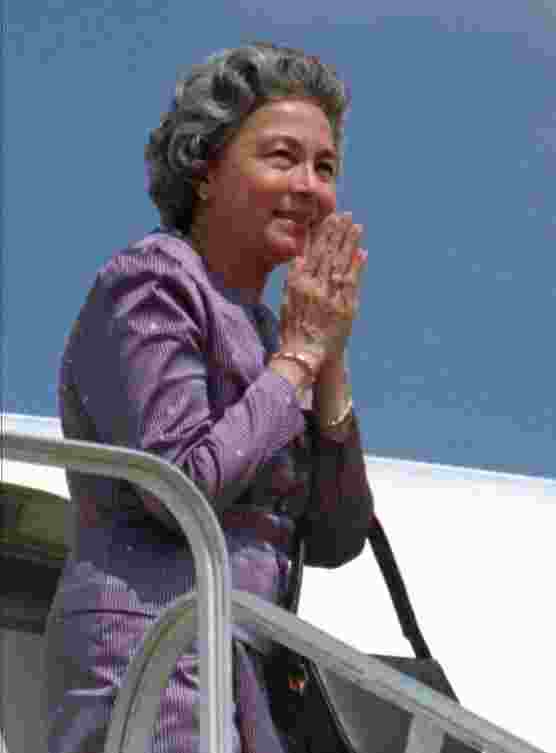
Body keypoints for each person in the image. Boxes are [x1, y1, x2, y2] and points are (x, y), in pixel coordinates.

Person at [45, 43, 373, 752]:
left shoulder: (272, 333)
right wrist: (299, 359)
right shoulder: (152, 281)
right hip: (151, 650)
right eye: (282, 157)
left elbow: (337, 535)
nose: (309, 186)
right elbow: (179, 486)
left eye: (325, 168)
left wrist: (329, 360)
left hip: (242, 666)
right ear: (204, 170)